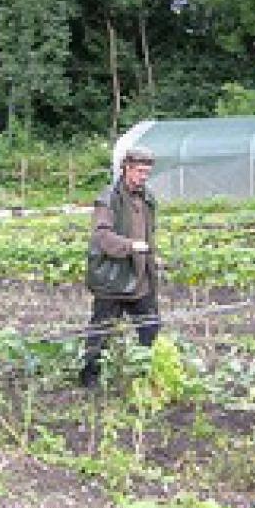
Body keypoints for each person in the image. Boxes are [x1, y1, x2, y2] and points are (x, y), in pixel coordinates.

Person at [78, 146, 161, 388]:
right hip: (113, 279)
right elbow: (102, 237)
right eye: (139, 171)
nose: (143, 177)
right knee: (100, 332)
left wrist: (151, 256)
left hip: (140, 278)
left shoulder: (147, 198)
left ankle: (142, 375)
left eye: (147, 172)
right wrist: (131, 246)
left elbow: (148, 235)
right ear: (126, 168)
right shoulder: (108, 199)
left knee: (150, 328)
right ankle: (89, 379)